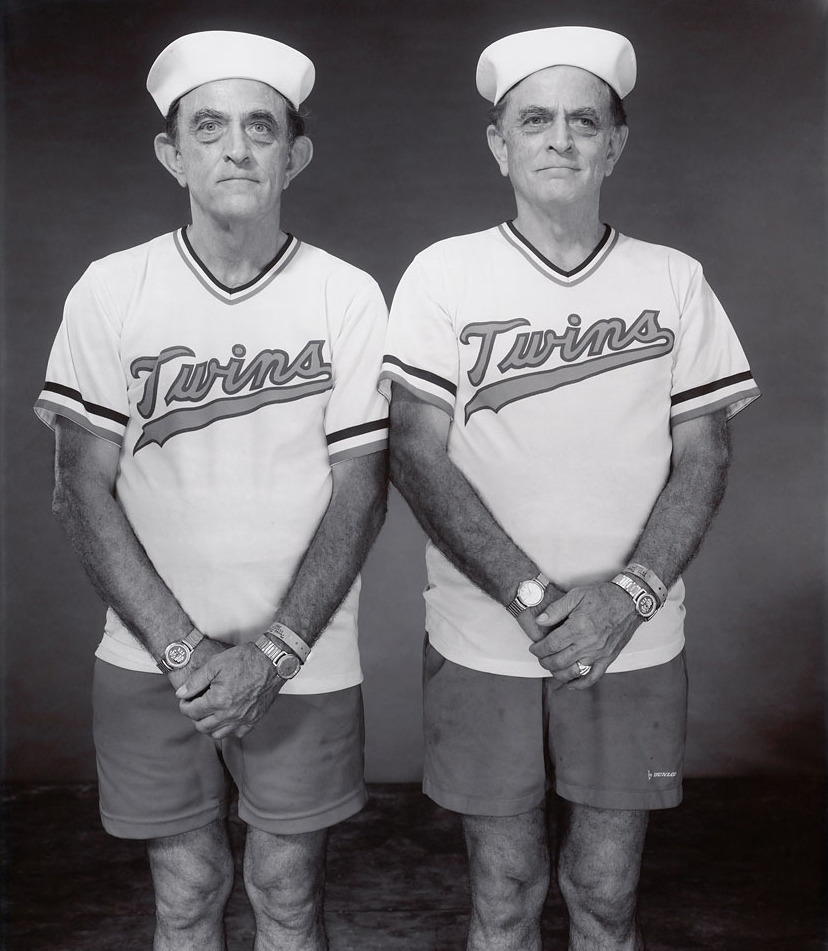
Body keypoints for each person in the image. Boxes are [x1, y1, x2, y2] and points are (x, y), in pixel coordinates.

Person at [381, 25, 760, 951]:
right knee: (506, 894)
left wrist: (626, 596)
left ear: (615, 144)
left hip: (633, 637)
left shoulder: (674, 280)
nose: (560, 138)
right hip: (483, 635)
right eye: (535, 119)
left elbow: (703, 454)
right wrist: (534, 596)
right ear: (497, 142)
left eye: (584, 120)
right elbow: (415, 452)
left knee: (602, 893)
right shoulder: (444, 272)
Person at [35, 30, 388, 951]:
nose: (236, 147)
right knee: (187, 893)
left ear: (295, 154)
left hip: (304, 656)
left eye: (260, 128)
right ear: (171, 152)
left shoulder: (347, 297)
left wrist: (271, 652)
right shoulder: (110, 292)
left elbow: (364, 490)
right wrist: (187, 653)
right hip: (153, 660)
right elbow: (84, 488)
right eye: (209, 127)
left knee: (285, 889)